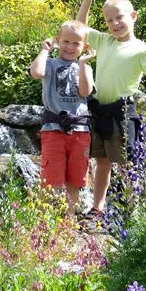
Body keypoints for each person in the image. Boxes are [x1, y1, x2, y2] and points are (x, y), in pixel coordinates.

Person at [76, 0, 146, 221]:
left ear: (134, 16)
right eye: (109, 20)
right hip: (99, 109)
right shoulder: (105, 41)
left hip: (122, 111)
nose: (114, 23)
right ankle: (98, 208)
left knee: (127, 163)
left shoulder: (142, 49)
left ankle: (132, 212)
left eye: (119, 17)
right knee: (102, 162)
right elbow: (79, 29)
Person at [30, 20, 95, 212]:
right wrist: (45, 50)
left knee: (75, 180)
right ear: (58, 41)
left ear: (85, 47)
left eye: (76, 43)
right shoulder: (49, 64)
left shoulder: (87, 68)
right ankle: (44, 220)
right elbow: (36, 72)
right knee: (50, 180)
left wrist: (83, 64)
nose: (70, 47)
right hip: (53, 130)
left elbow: (85, 92)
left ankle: (69, 219)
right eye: (66, 41)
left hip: (80, 132)